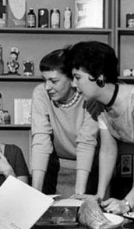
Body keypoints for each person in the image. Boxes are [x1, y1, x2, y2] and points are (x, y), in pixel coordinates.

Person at [66, 40, 134, 214]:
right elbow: (108, 151)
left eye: (78, 77)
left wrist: (127, 203)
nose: (73, 84)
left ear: (100, 76)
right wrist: (99, 195)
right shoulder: (100, 107)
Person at [31, 48, 101, 198]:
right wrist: (35, 193)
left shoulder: (89, 96)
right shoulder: (40, 93)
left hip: (90, 169)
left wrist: (79, 195)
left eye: (54, 81)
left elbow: (86, 143)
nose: (48, 87)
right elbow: (40, 140)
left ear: (72, 79)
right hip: (57, 168)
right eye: (45, 80)